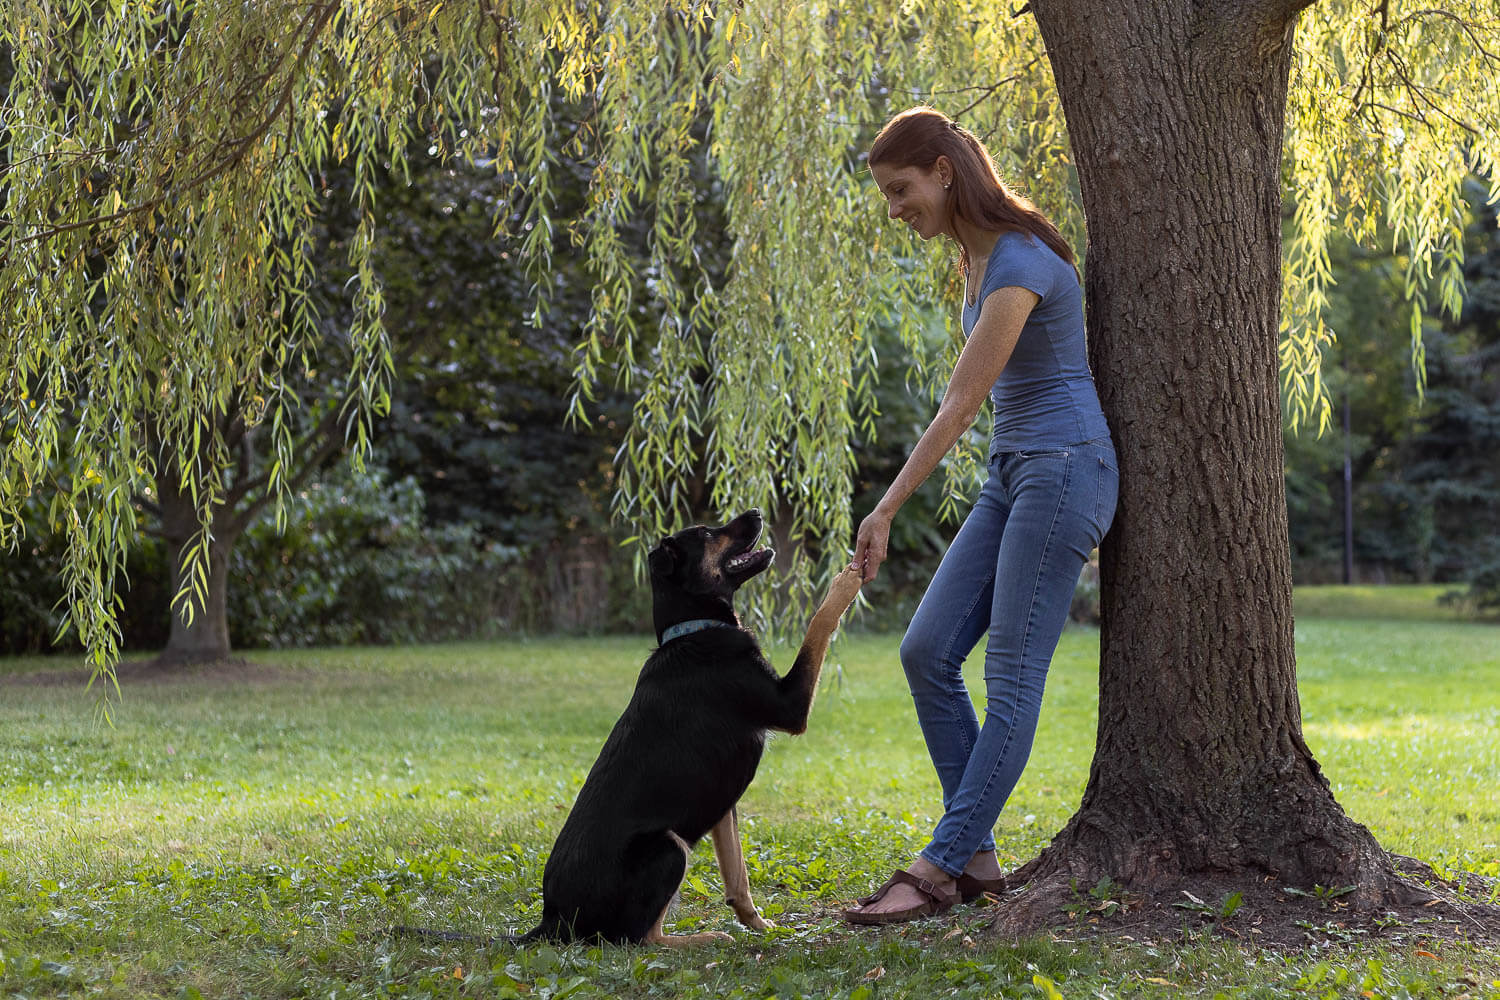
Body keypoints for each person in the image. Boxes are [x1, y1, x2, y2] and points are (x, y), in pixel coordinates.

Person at [843, 107, 1118, 925]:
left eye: (901, 190)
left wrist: (885, 510)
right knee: (926, 651)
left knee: (1009, 680)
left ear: (943, 170)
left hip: (1067, 469)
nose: (896, 209)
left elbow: (961, 404)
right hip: (1014, 473)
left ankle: (938, 866)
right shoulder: (976, 257)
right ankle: (980, 860)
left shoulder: (1021, 260)